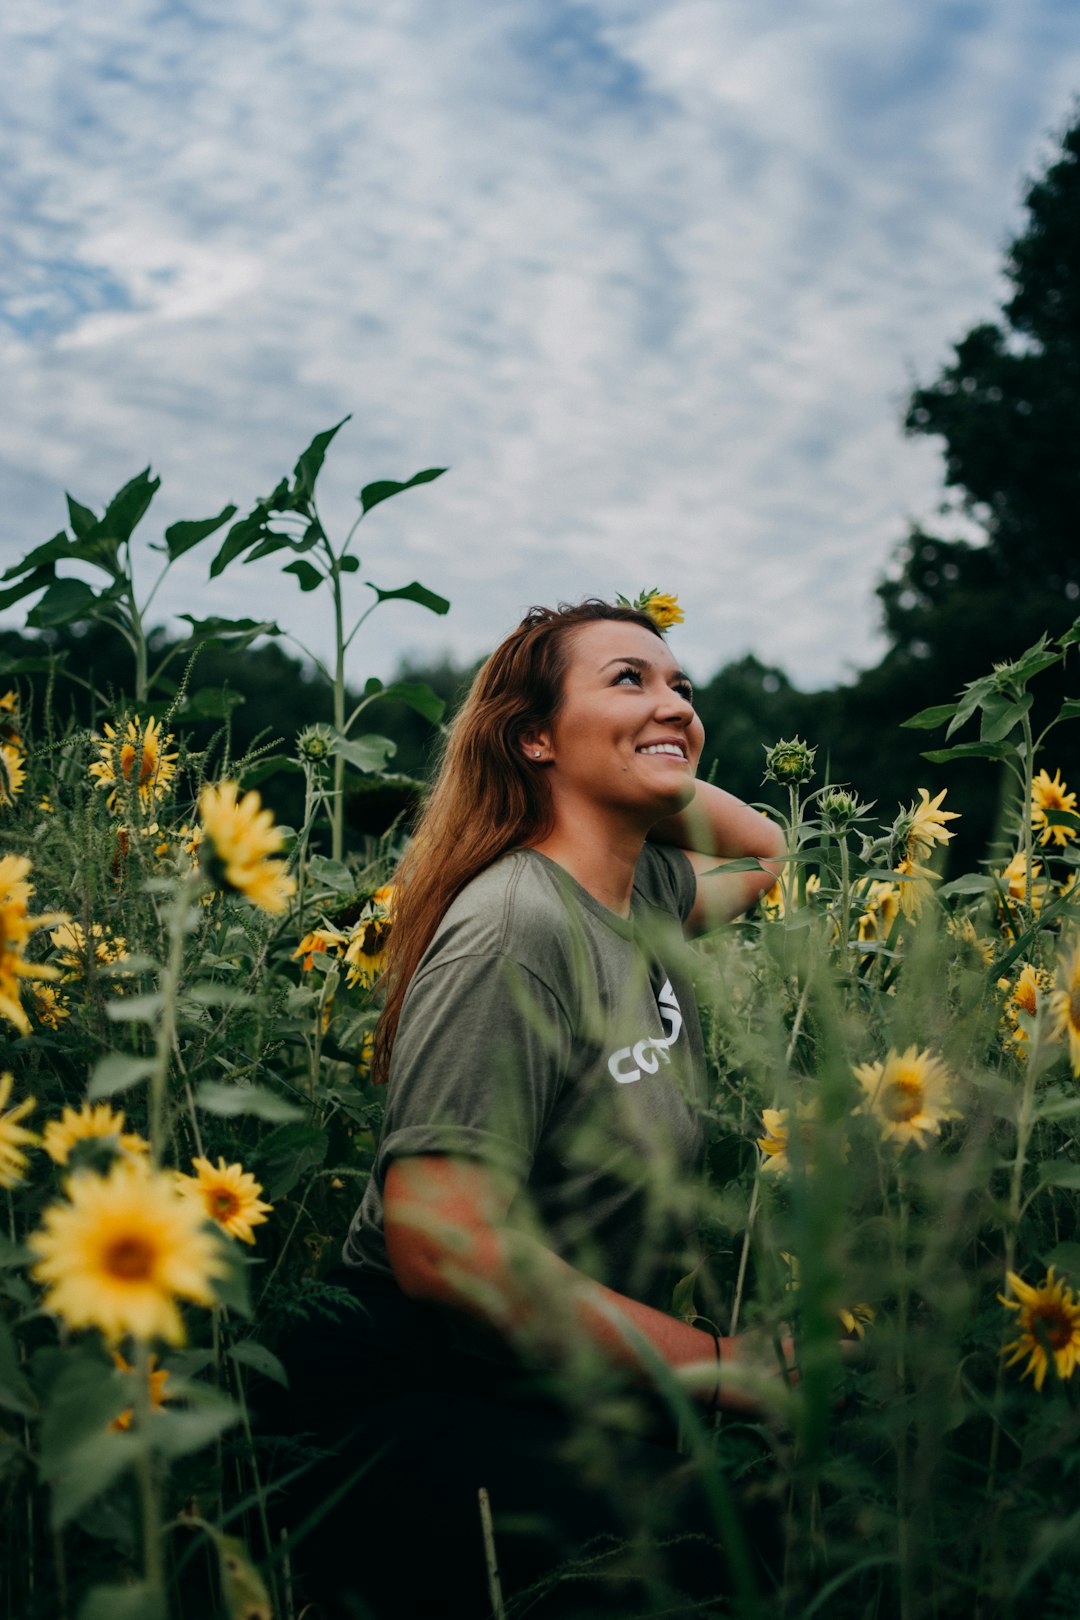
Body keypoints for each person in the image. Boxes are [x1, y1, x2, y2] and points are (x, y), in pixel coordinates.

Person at [276, 600, 787, 1619]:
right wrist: (729, 1369)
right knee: (717, 1540)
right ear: (534, 736)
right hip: (405, 1390)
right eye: (630, 678)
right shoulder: (516, 925)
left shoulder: (638, 899)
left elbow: (766, 852)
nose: (677, 701)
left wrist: (654, 747)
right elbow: (443, 1242)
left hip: (540, 1374)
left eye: (684, 686)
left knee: (798, 1499)